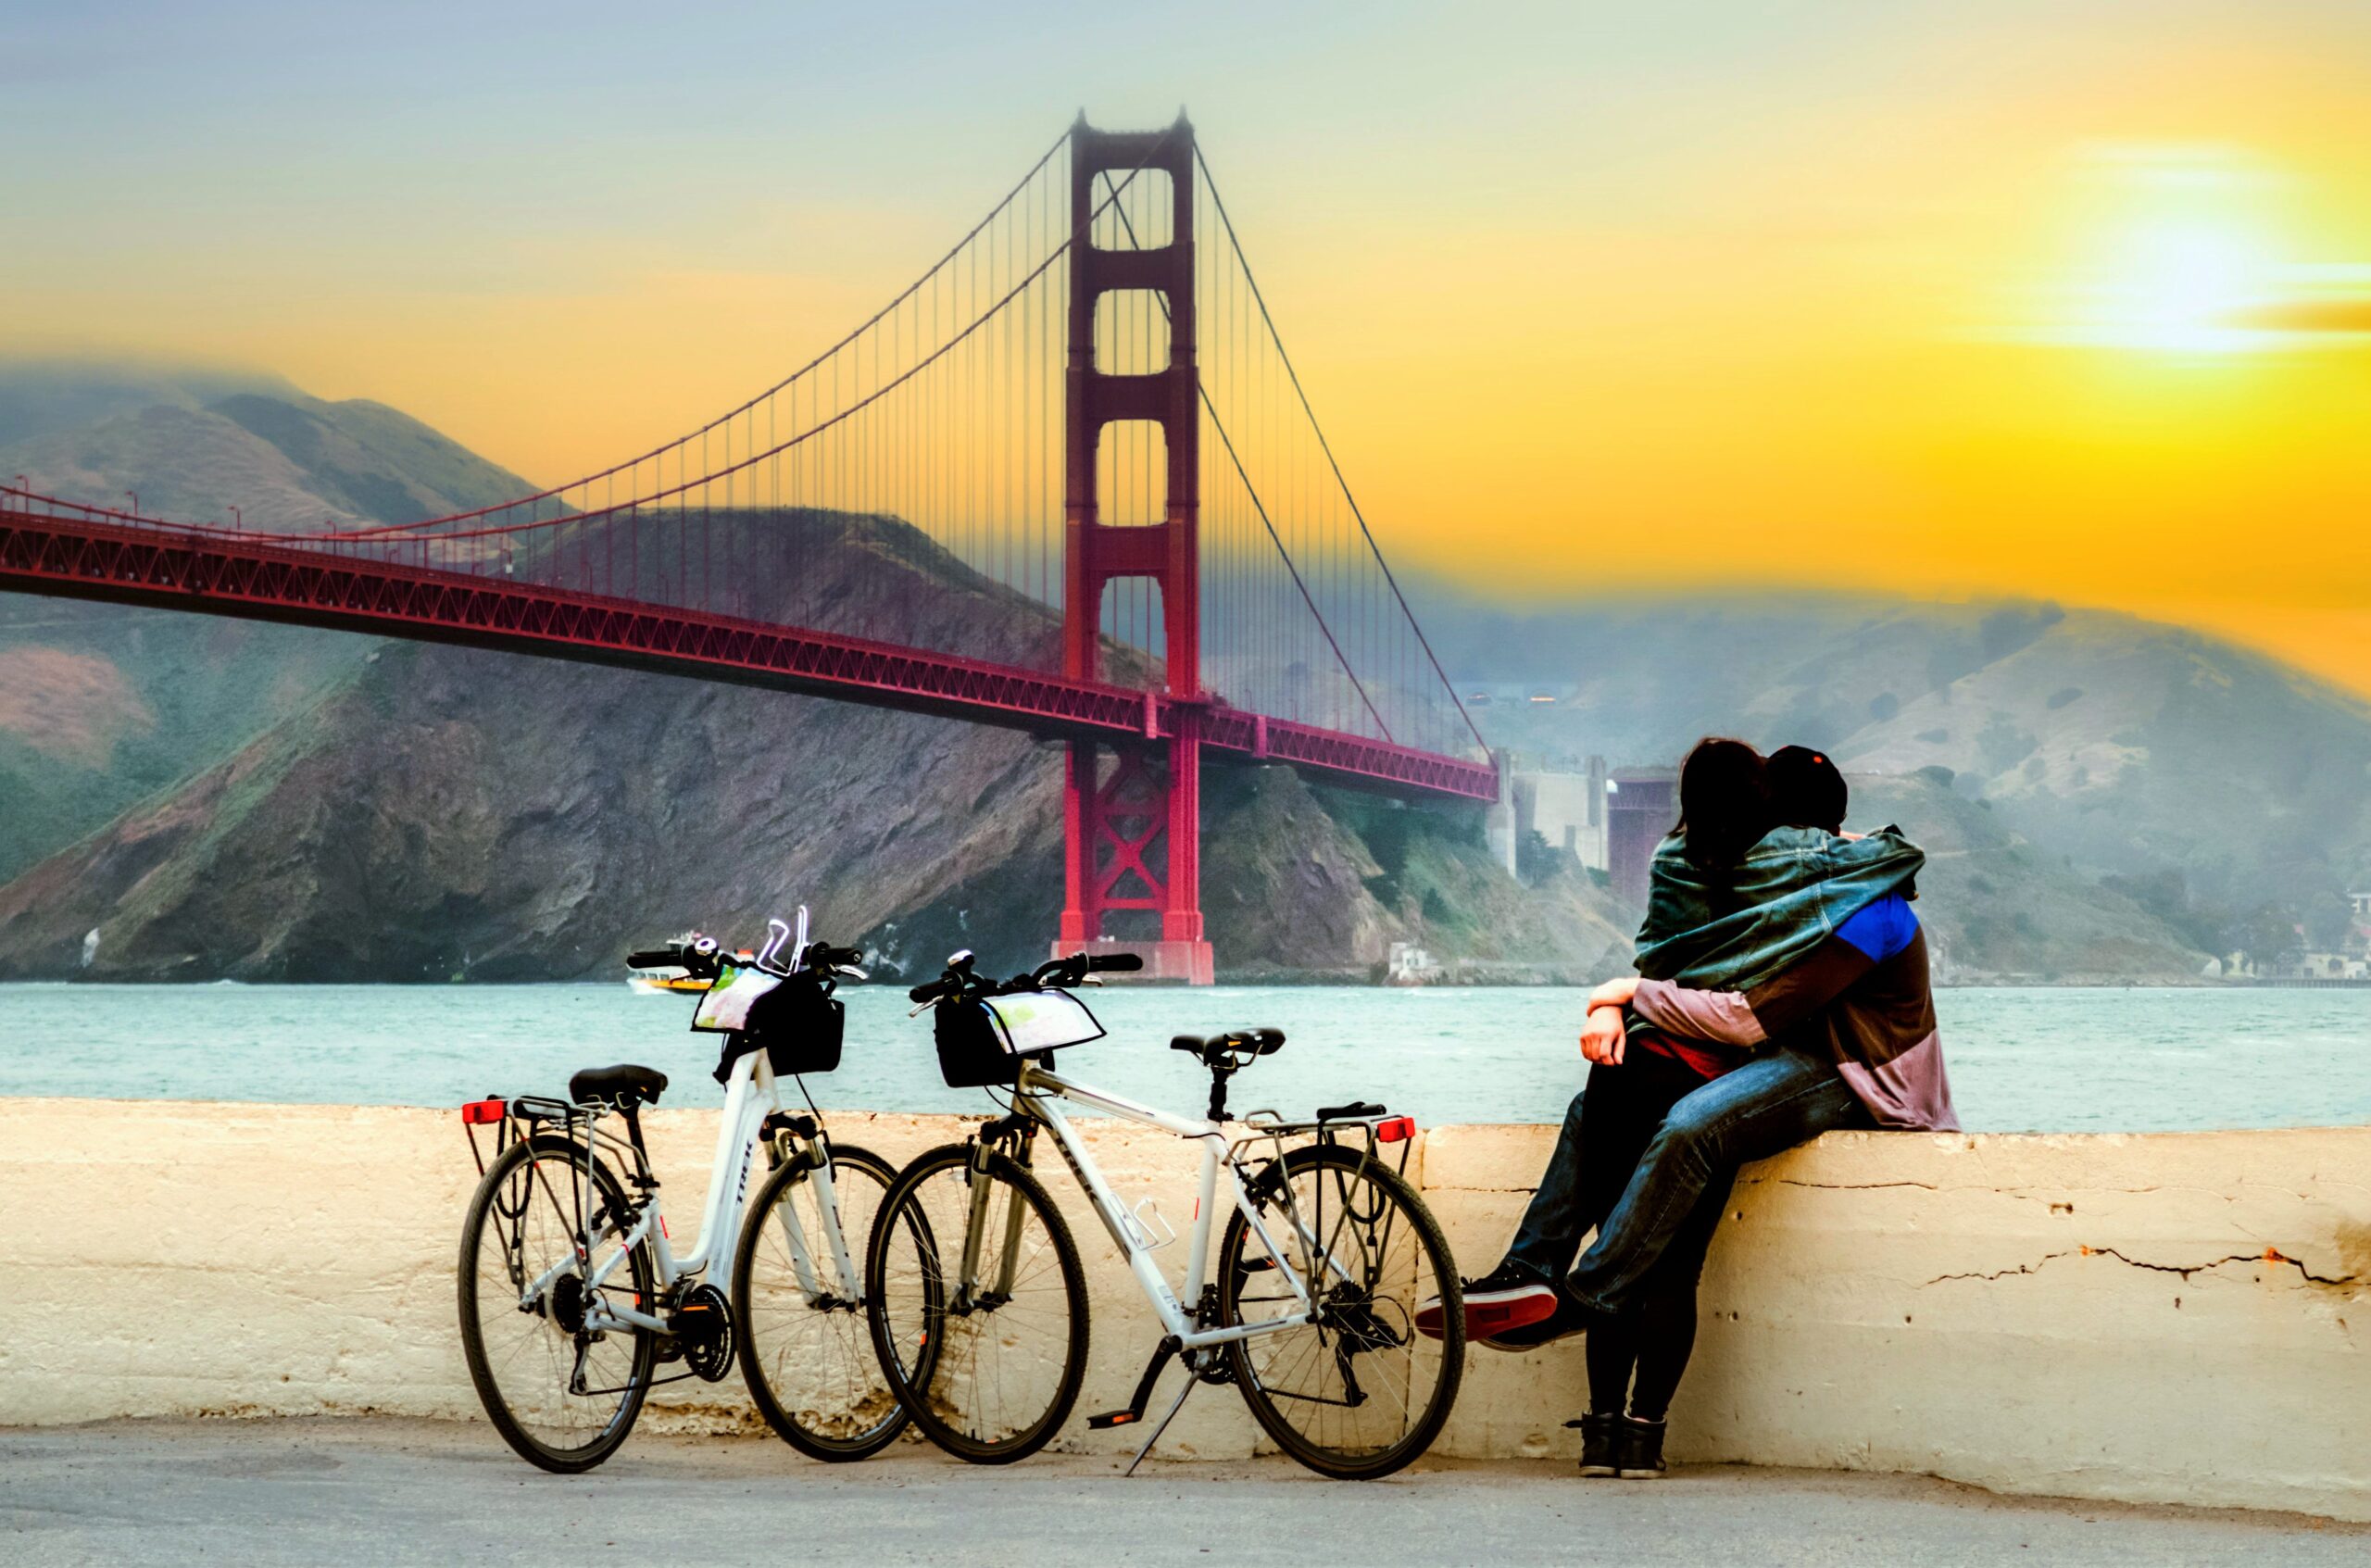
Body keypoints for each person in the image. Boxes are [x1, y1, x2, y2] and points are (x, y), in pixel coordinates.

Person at [1416, 740, 1957, 1479]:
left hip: (1862, 1079)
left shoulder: (1870, 912)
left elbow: (1748, 1017)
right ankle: (1533, 1265)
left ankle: (1582, 1292)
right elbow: (1707, 963)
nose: (1771, 848)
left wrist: (1620, 993)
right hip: (1792, 1057)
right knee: (1597, 1119)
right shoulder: (1797, 891)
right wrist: (1623, 1005)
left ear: (1793, 835)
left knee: (1692, 1125)